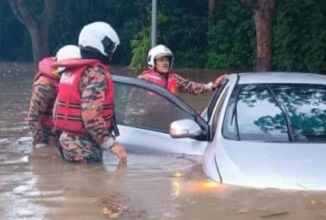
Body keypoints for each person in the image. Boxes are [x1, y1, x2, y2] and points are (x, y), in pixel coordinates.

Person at [52, 22, 128, 165]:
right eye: (110, 46)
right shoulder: (96, 74)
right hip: (84, 148)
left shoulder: (71, 71)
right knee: (93, 186)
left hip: (66, 142)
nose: (111, 51)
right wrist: (112, 144)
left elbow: (56, 110)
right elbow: (90, 117)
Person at [27, 44, 80, 147]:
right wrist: (40, 143)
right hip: (49, 134)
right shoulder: (45, 85)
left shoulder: (80, 79)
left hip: (68, 131)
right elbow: (33, 118)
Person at [138, 44, 228, 95]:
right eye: (161, 60)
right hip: (149, 118)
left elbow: (192, 87)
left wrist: (212, 86)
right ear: (153, 62)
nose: (165, 63)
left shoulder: (175, 78)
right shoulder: (144, 79)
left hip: (168, 117)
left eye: (167, 60)